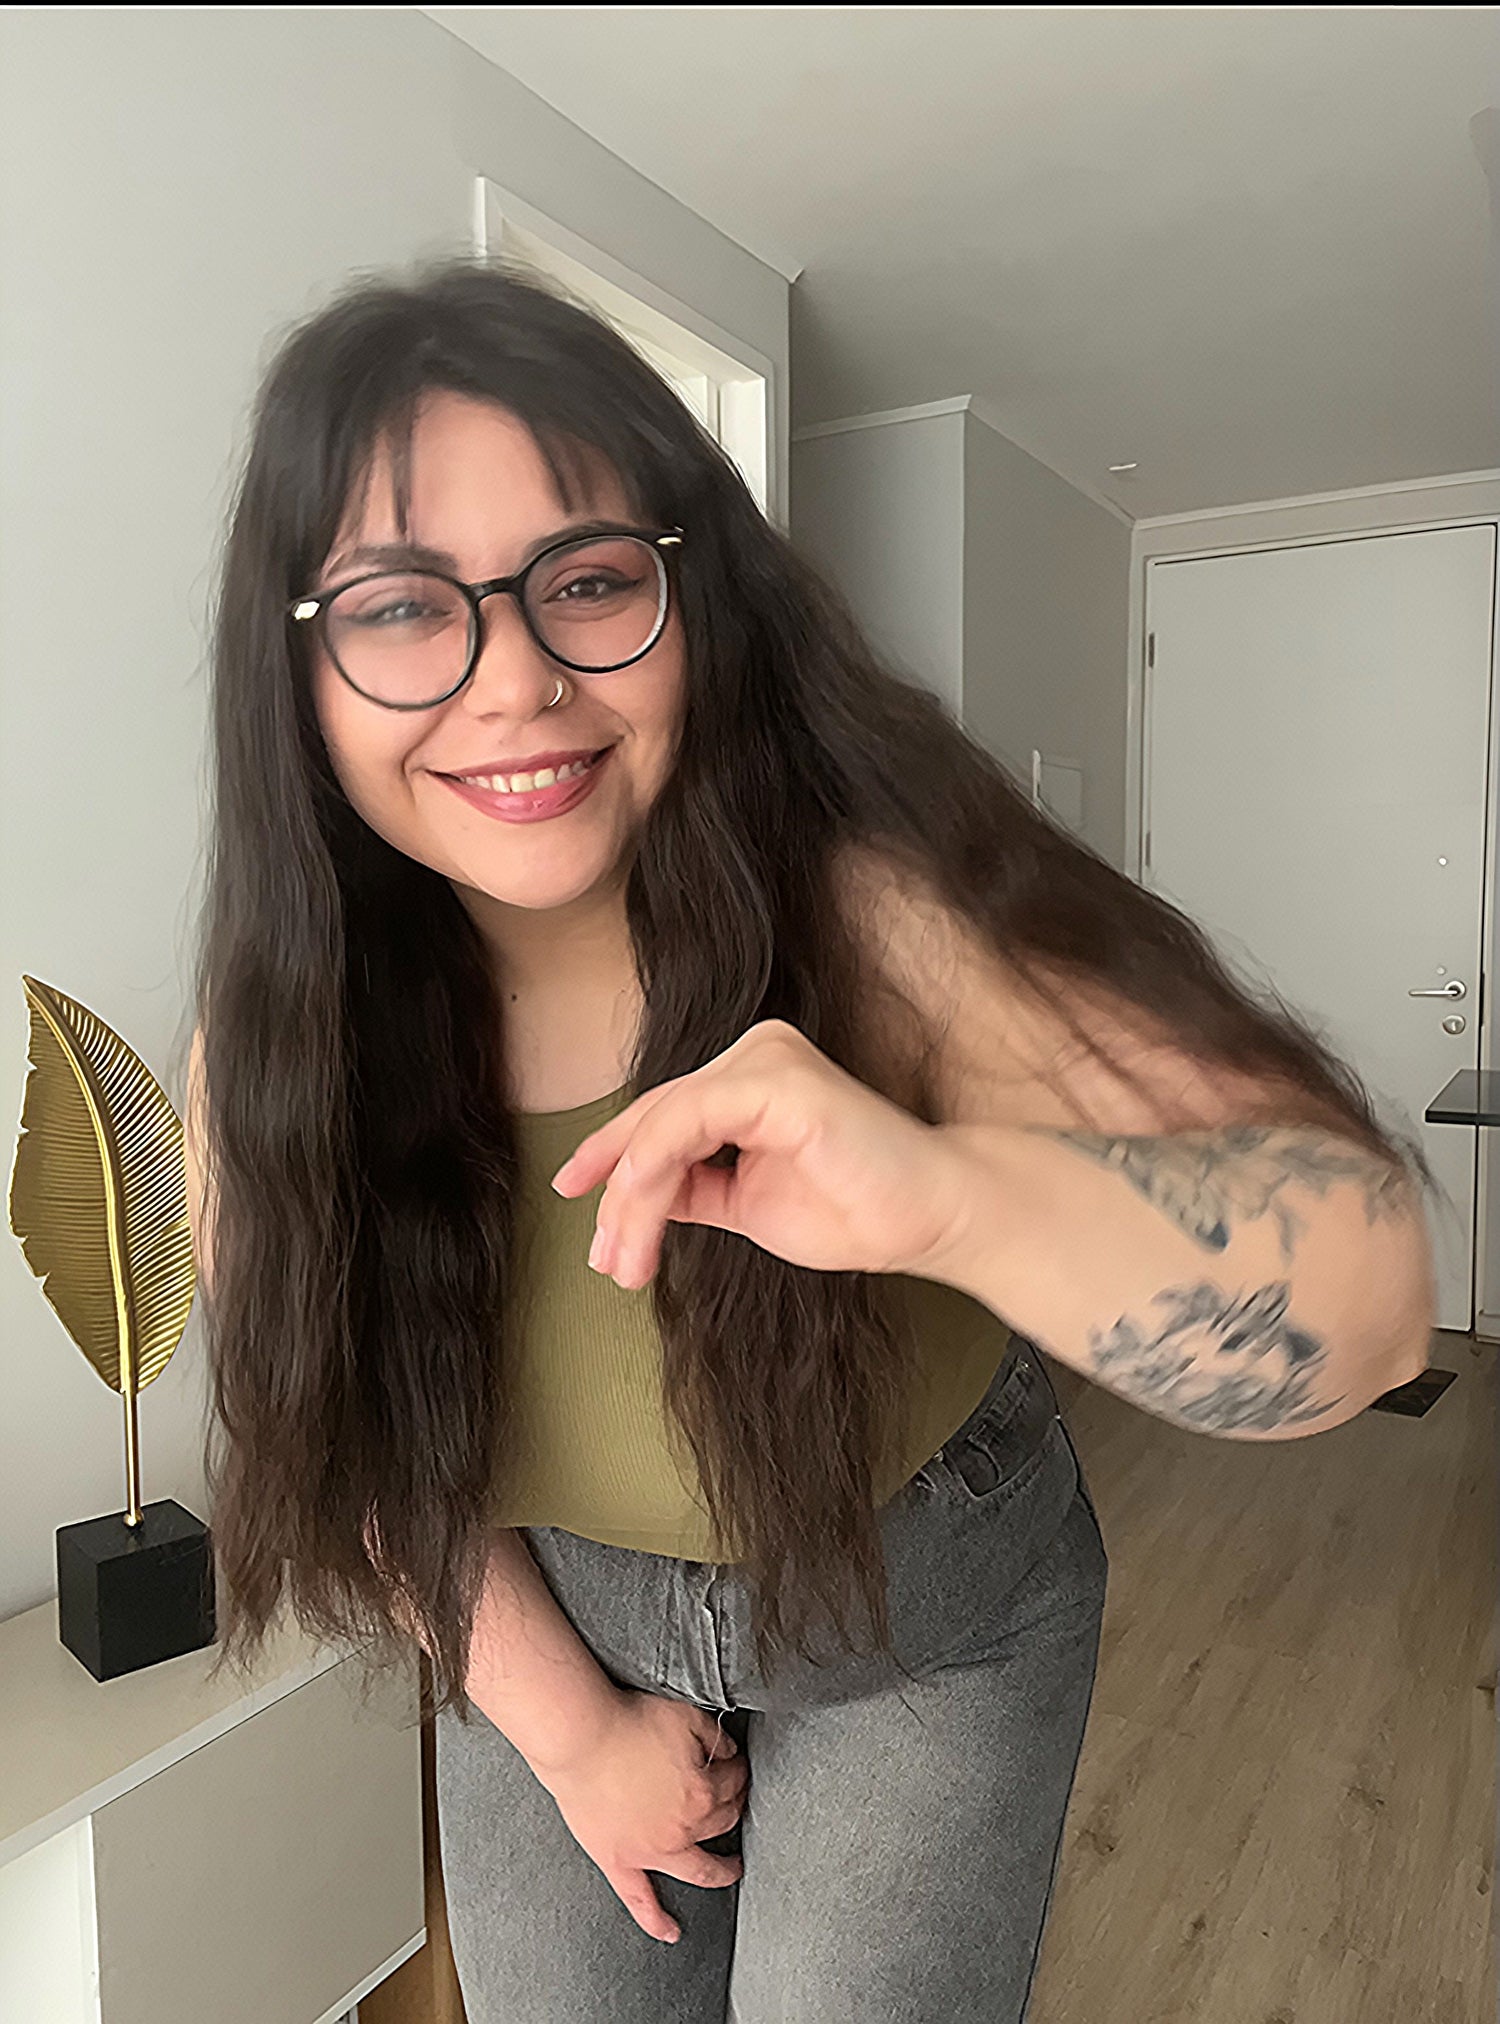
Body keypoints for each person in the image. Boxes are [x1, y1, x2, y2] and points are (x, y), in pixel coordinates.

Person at [183, 258, 1435, 2022]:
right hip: (543, 1625)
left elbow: (1366, 1316)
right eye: (401, 607)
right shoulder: (275, 1051)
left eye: (589, 580)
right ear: (297, 661)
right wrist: (570, 1733)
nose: (515, 679)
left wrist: (954, 1200)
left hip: (927, 1608)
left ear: (690, 595)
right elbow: (361, 1435)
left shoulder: (873, 916)